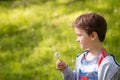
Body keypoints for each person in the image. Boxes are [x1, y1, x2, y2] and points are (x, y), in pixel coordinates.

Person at [56, 12, 120, 80]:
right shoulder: (81, 58)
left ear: (93, 36)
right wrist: (66, 70)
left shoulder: (108, 64)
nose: (77, 40)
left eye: (79, 35)